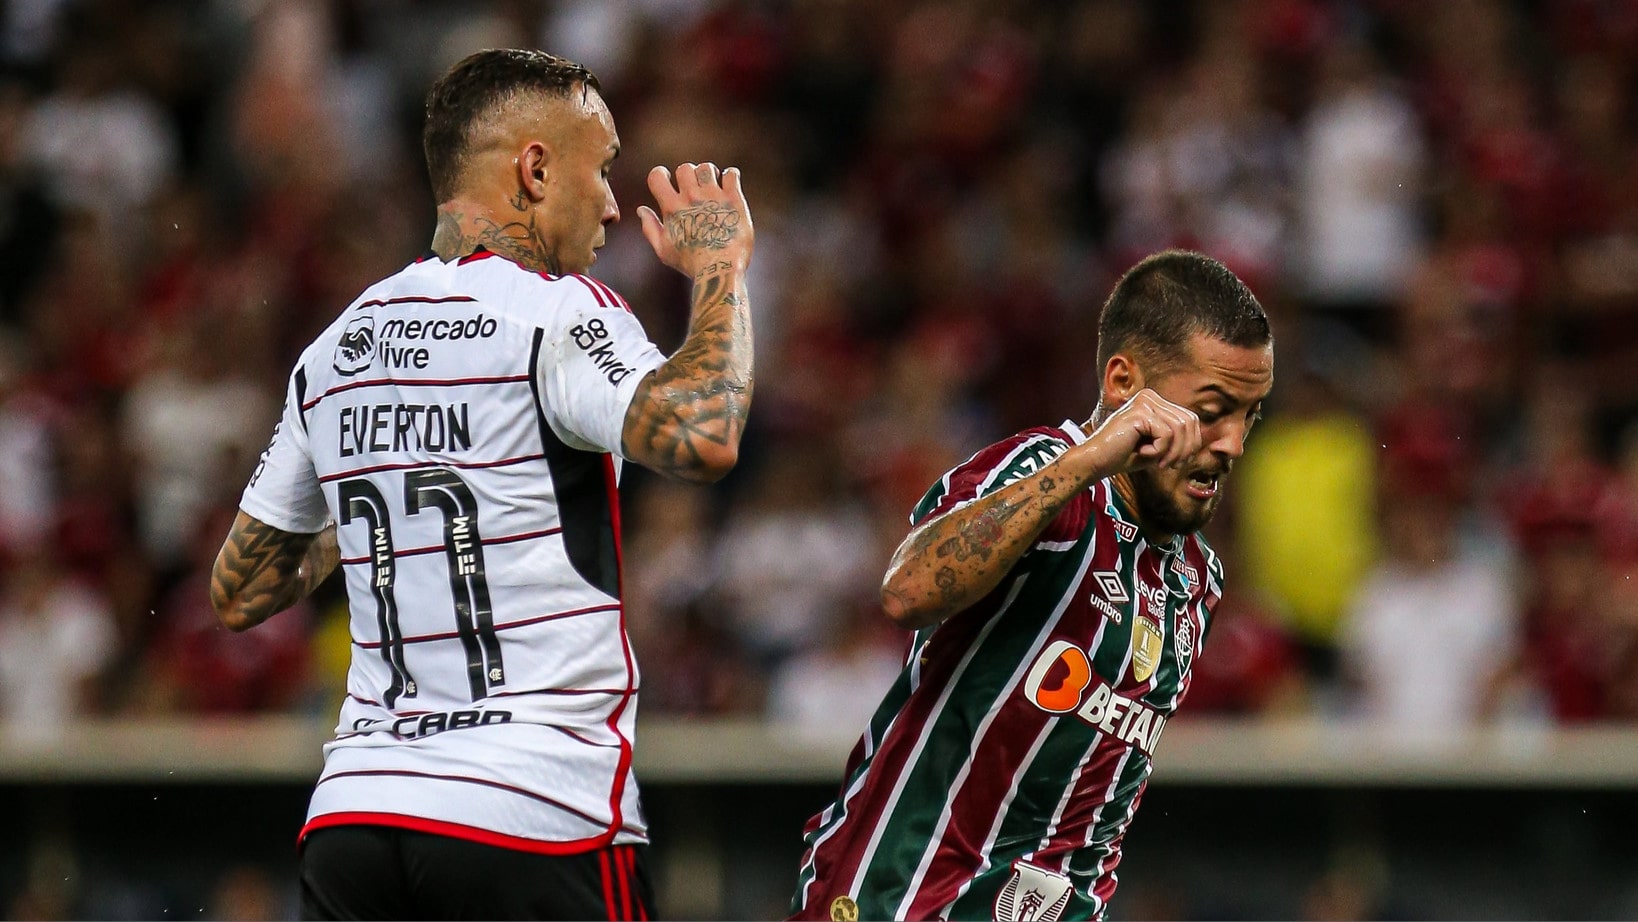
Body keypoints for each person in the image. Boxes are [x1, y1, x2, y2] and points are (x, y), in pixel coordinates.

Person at [209, 49, 754, 920]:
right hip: (533, 809)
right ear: (535, 170)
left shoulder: (338, 346)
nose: (612, 205)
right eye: (601, 170)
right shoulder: (560, 311)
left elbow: (242, 588)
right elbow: (704, 432)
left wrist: (386, 492)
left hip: (357, 817)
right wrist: (723, 268)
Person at [790, 250, 1273, 922]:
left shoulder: (1199, 579)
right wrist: (1091, 459)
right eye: (1213, 410)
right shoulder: (1047, 474)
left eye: (1250, 416)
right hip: (901, 897)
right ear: (1124, 382)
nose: (1233, 445)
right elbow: (908, 589)